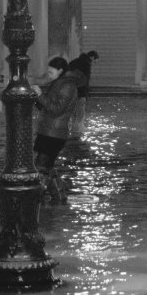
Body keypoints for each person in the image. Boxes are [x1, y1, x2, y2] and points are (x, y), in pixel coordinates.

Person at [33, 56, 85, 202]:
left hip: (54, 134)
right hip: (48, 131)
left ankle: (36, 198)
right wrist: (36, 98)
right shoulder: (58, 83)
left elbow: (56, 109)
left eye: (51, 72)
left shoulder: (68, 86)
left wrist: (40, 94)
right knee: (47, 166)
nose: (48, 74)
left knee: (40, 167)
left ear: (60, 71)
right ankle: (59, 196)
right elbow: (47, 106)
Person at [66, 49, 98, 140]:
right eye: (95, 60)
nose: (94, 63)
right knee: (80, 110)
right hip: (80, 92)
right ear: (92, 57)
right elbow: (85, 80)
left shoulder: (74, 62)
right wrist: (85, 93)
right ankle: (78, 131)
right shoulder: (86, 64)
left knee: (73, 111)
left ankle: (72, 129)